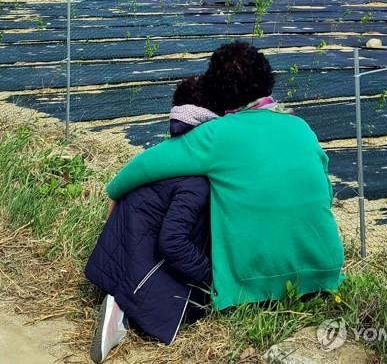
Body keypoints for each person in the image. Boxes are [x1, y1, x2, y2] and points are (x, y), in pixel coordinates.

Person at [106, 41, 345, 312]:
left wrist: (114, 192)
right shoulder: (301, 128)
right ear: (268, 80)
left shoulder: (217, 134)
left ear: (215, 90)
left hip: (253, 284)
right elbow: (325, 193)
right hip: (325, 272)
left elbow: (148, 164)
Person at [85, 76, 217, 363]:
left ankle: (119, 296)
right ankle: (122, 312)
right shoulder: (196, 180)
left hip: (115, 256)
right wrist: (210, 277)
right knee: (198, 304)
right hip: (141, 265)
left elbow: (118, 195)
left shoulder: (161, 156)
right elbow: (172, 241)